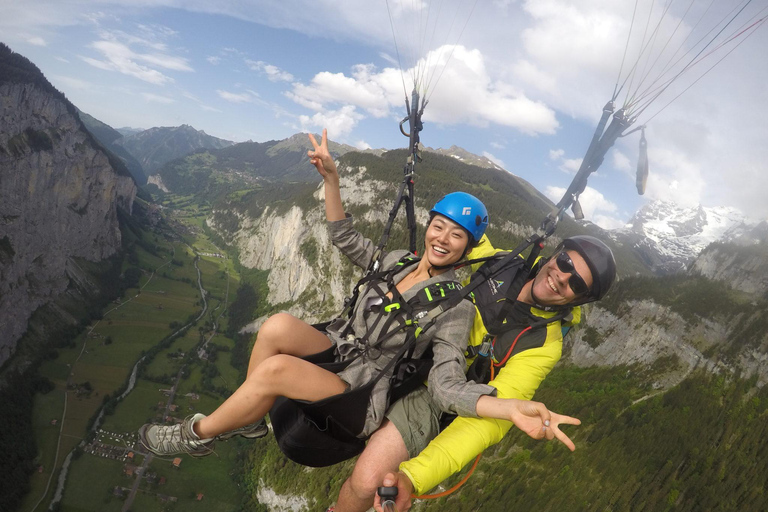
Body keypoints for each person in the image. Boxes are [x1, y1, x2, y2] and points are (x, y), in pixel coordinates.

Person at [137, 129, 568, 458]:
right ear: (430, 225)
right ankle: (248, 422)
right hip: (341, 348)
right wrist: (332, 181)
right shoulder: (398, 258)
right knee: (276, 327)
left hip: (360, 392)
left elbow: (446, 384)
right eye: (439, 226)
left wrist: (507, 407)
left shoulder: (454, 308)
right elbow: (346, 240)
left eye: (457, 236)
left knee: (276, 370)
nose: (443, 238)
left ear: (468, 249)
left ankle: (195, 435)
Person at [333, 233, 617, 512]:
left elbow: (489, 421)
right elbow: (456, 237)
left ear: (581, 299)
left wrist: (413, 477)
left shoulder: (543, 343)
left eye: (577, 283)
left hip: (436, 395)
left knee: (366, 482)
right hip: (406, 345)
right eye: (566, 262)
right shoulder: (503, 262)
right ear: (555, 254)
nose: (563, 277)